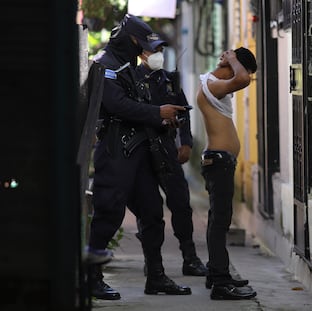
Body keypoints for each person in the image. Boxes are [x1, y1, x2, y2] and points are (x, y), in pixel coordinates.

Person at [87, 14, 192, 300]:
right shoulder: (104, 64)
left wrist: (166, 117)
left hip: (139, 150)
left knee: (152, 212)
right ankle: (91, 278)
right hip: (115, 150)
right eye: (142, 44)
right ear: (128, 39)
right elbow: (116, 104)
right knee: (108, 212)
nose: (145, 50)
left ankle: (156, 276)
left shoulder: (128, 67)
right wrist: (158, 113)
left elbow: (139, 102)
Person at [134, 45, 207, 277]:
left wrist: (185, 142)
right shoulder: (132, 78)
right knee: (149, 210)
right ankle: (153, 263)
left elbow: (184, 112)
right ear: (142, 54)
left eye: (160, 50)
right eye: (152, 51)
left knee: (181, 204)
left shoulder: (170, 80)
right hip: (142, 150)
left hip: (167, 149)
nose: (158, 55)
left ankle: (190, 258)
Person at [196, 47, 258, 300]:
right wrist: (232, 59)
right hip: (219, 161)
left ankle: (216, 273)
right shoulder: (213, 85)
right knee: (220, 221)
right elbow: (244, 78)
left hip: (220, 160)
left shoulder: (215, 84)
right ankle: (221, 283)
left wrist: (232, 62)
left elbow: (243, 77)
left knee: (218, 219)